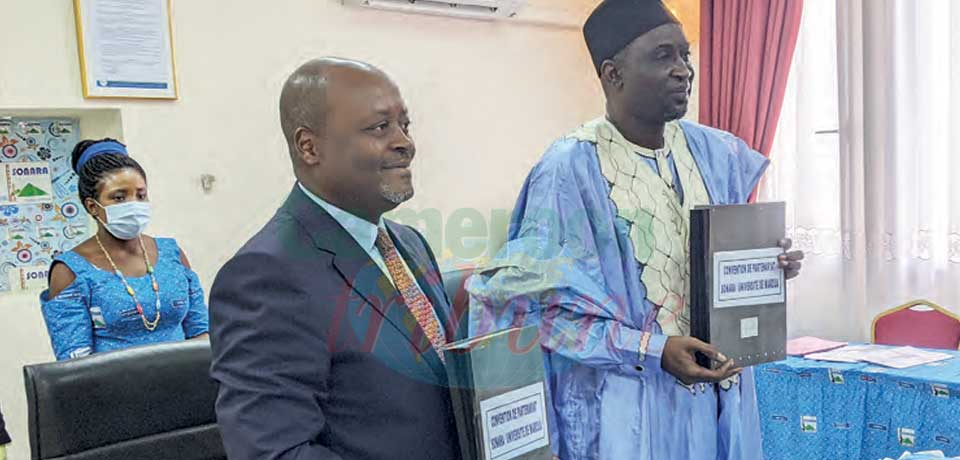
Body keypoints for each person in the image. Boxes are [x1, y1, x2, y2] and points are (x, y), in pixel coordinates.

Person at [466, 1, 805, 459]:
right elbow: (536, 314)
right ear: (613, 74)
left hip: (716, 393)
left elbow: (723, 266)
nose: (683, 70)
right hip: (624, 407)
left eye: (685, 55)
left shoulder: (713, 153)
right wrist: (650, 349)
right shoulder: (570, 171)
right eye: (663, 56)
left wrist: (767, 266)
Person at [209, 58, 461, 460]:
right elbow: (274, 452)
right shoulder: (265, 275)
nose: (405, 143)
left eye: (405, 125)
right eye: (380, 127)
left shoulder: (408, 244)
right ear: (310, 147)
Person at [40, 139, 209, 361]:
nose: (133, 204)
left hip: (185, 386)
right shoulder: (70, 270)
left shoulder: (172, 253)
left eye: (140, 195)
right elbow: (74, 361)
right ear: (92, 206)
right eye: (119, 197)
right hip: (113, 391)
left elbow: (201, 331)